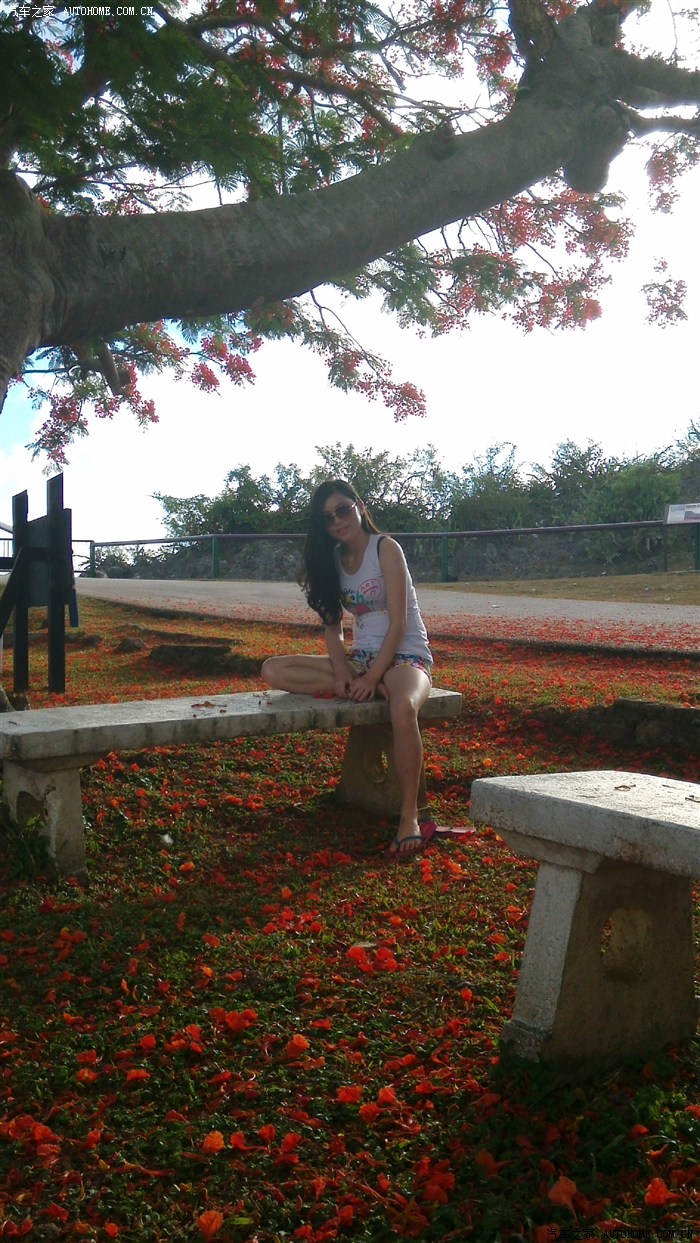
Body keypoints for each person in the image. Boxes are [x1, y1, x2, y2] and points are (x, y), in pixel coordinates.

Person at [261, 480, 434, 859]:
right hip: (362, 660)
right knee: (273, 670)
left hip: (404, 654)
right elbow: (333, 628)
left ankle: (408, 817)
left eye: (342, 510)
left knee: (403, 707)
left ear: (359, 506)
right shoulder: (332, 561)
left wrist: (373, 677)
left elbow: (400, 622)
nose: (337, 521)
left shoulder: (386, 548)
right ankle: (372, 686)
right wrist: (344, 674)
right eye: (327, 518)